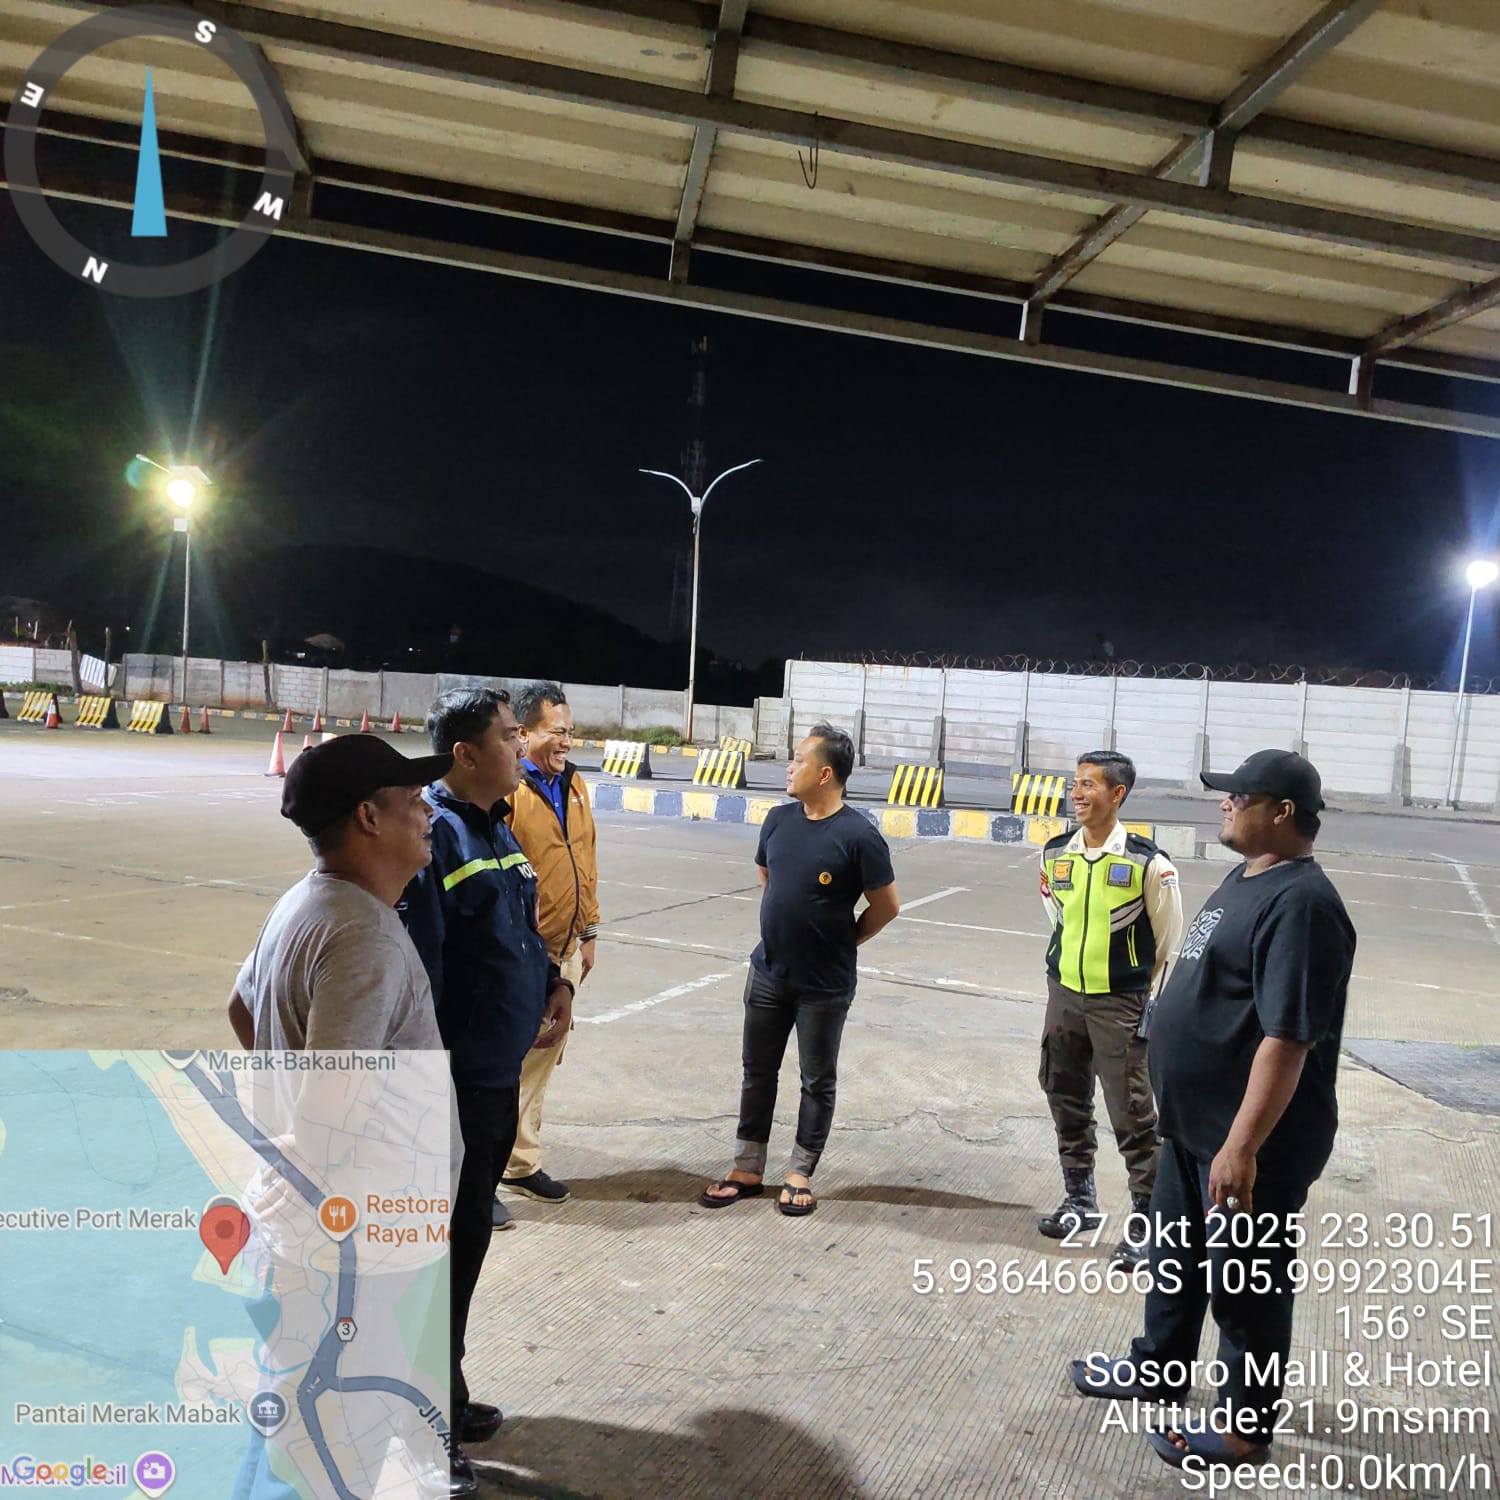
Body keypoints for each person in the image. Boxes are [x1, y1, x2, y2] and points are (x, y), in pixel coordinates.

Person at [1067, 750, 1356, 1475]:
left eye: (1238, 795)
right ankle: (1159, 1367)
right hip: (1194, 1128)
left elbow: (1288, 1038)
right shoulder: (1247, 877)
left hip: (1249, 1145)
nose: (1224, 804)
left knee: (1246, 1287)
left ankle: (1243, 1431)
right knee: (1177, 1263)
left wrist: (1242, 1148)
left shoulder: (1304, 905)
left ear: (1282, 811)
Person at [400, 687, 573, 1496]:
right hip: (455, 1086)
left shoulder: (497, 824)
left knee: (466, 1243)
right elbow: (425, 975)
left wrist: (553, 979)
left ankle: (449, 1385)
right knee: (436, 1254)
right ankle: (420, 1422)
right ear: (465, 753)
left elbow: (517, 928)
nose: (523, 750)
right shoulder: (433, 835)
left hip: (494, 1080)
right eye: (510, 737)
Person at [699, 723, 900, 1218]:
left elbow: (886, 906)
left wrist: (843, 941)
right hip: (768, 973)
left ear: (825, 774)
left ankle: (799, 1173)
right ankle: (747, 1167)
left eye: (799, 761)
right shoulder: (778, 820)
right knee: (757, 1072)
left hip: (824, 986)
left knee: (816, 1079)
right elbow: (767, 876)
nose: (789, 768)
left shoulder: (859, 835)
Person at [1037, 750, 1182, 1265]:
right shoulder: (1055, 854)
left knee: (1132, 1113)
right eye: (1075, 783)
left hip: (1120, 1005)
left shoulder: (1148, 863)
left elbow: (1168, 942)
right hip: (1063, 997)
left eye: (1089, 785)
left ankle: (1149, 1221)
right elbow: (1056, 916)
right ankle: (1080, 1201)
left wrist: (1139, 996)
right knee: (1065, 1095)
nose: (1076, 794)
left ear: (1117, 794)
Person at [227, 733, 453, 1051]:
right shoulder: (367, 937)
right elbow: (332, 1083)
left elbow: (240, 1008)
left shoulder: (298, 901)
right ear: (368, 816)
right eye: (415, 798)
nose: (429, 810)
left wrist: (279, 1078)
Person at [498, 681, 600, 1212]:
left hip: (564, 950)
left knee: (540, 1061)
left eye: (570, 731)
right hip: (519, 952)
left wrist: (588, 932)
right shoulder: (509, 791)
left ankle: (518, 1165)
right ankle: (476, 1175)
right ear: (524, 732)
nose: (566, 741)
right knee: (499, 1062)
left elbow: (587, 857)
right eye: (557, 731)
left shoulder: (575, 784)